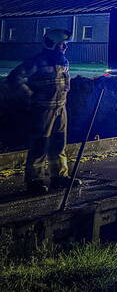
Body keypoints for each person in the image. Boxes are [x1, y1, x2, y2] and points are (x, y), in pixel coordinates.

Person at [7, 28, 76, 195]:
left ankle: (59, 177)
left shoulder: (64, 62)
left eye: (65, 45)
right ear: (52, 45)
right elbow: (14, 78)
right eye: (62, 45)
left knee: (59, 144)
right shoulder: (36, 62)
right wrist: (29, 96)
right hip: (43, 111)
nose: (65, 48)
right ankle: (35, 181)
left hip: (60, 109)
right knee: (40, 145)